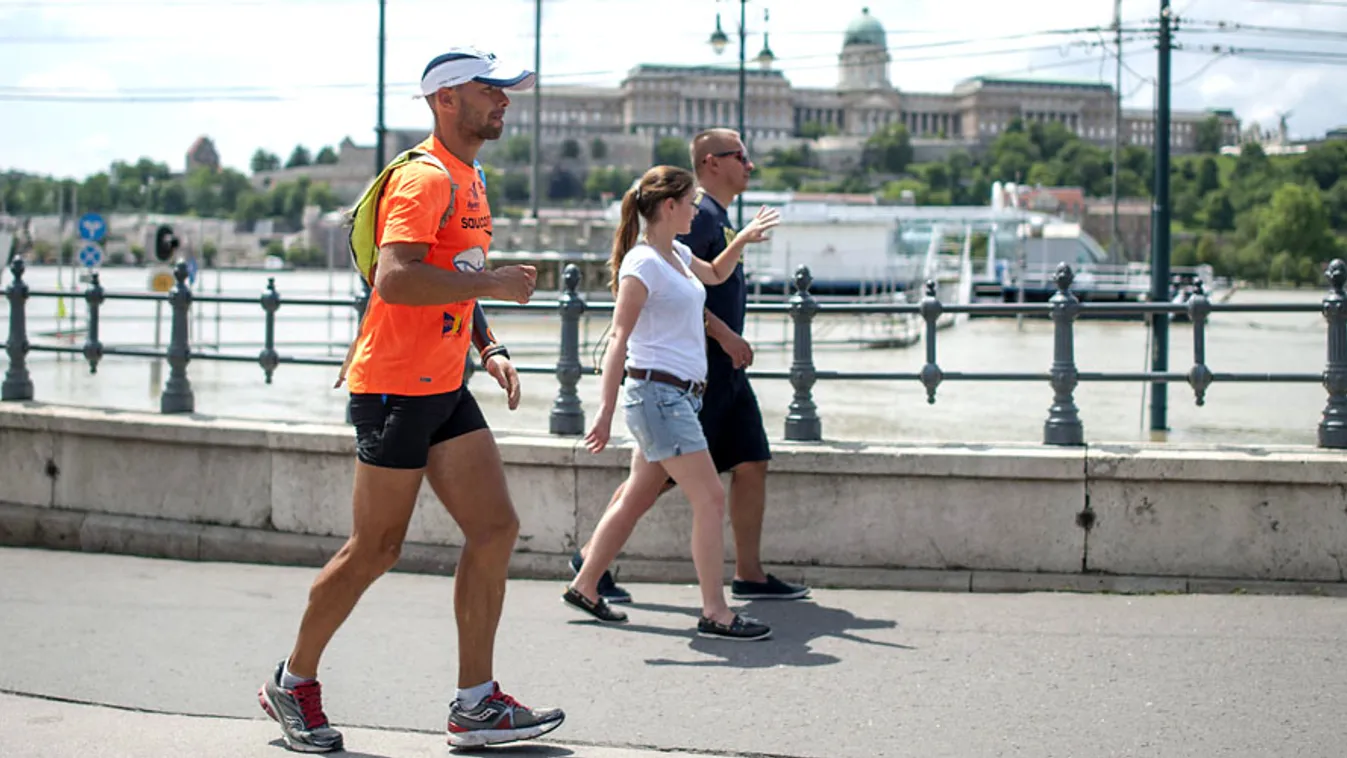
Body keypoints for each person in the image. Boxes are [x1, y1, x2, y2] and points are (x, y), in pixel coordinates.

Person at [257, 47, 564, 753]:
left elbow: (455, 272)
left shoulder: (470, 176)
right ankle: (291, 682)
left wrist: (487, 346)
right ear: (445, 99)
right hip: (393, 385)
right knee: (375, 548)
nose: (505, 102)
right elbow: (394, 280)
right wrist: (491, 287)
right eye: (492, 91)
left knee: (494, 529)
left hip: (442, 381)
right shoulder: (425, 179)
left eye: (507, 91)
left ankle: (476, 705)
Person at [570, 128, 810, 604]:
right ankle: (704, 605)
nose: (750, 164)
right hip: (675, 384)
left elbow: (716, 273)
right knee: (681, 489)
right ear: (710, 164)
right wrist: (603, 410)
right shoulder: (664, 247)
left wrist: (741, 238)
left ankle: (745, 574)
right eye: (740, 156)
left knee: (745, 460)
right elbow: (622, 334)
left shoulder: (688, 240)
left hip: (703, 378)